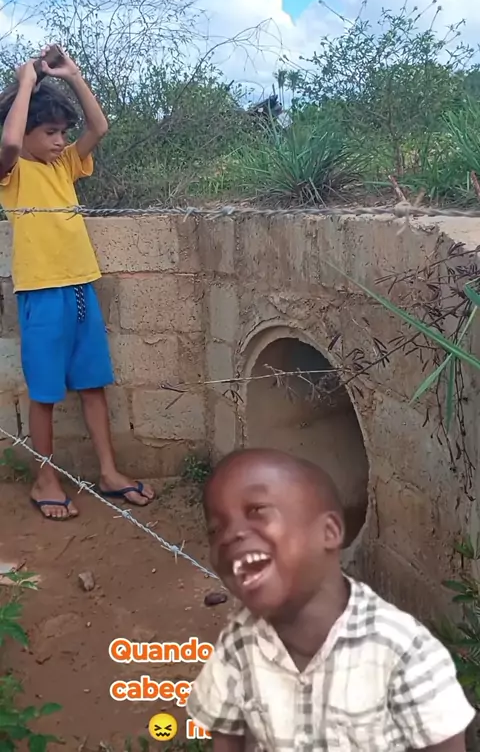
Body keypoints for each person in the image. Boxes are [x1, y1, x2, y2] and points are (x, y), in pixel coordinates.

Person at [187, 448, 475, 752]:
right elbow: (228, 739)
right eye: (216, 529)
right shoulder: (238, 643)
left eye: (257, 510)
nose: (230, 535)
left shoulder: (403, 652)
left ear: (329, 532)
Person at [0, 47, 154, 520]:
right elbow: (9, 144)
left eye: (63, 132)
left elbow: (99, 128)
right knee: (45, 392)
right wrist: (26, 83)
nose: (60, 140)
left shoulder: (64, 165)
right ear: (28, 131)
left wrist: (73, 76)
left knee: (92, 384)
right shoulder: (13, 174)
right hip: (42, 293)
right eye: (50, 132)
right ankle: (44, 478)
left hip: (81, 287)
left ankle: (108, 472)